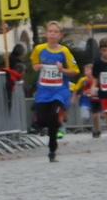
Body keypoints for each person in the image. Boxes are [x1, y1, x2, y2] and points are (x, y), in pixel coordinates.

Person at [29, 22, 77, 162]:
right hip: (44, 90)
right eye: (50, 31)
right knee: (43, 120)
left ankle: (52, 149)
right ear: (46, 34)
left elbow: (75, 71)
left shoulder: (65, 51)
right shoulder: (39, 49)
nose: (53, 34)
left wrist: (63, 70)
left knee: (52, 119)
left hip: (59, 91)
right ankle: (53, 126)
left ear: (60, 35)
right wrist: (36, 67)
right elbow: (34, 64)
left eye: (56, 32)